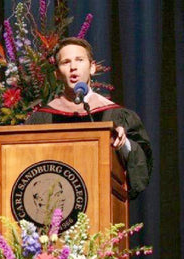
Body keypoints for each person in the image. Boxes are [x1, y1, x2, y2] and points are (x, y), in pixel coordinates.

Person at [26, 37, 152, 199]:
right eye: (65, 62)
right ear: (57, 74)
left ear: (92, 68)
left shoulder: (116, 115)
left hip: (102, 202)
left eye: (79, 60)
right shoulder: (42, 118)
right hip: (53, 203)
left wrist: (123, 143)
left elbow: (142, 163)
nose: (73, 67)